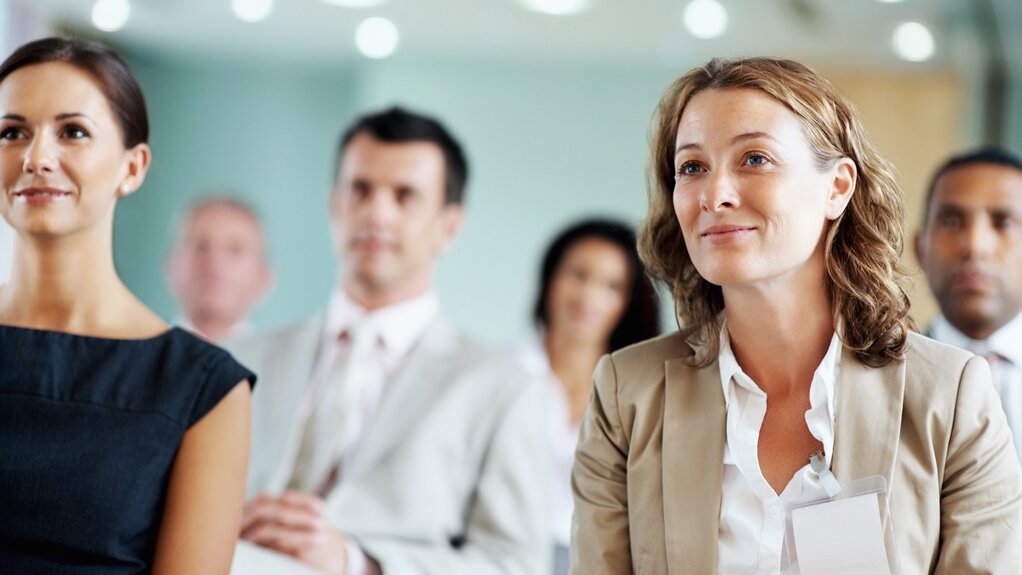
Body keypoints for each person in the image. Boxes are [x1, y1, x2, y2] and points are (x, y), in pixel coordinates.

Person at [570, 57, 1022, 574]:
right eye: (693, 167)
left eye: (754, 158)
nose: (715, 195)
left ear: (837, 187)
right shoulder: (626, 393)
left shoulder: (950, 393)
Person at [230, 107, 547, 575]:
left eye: (405, 196)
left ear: (450, 225)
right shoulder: (241, 358)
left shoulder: (503, 389)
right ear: (333, 204)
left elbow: (515, 565)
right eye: (360, 189)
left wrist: (359, 563)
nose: (376, 213)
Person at [0, 37, 254, 573]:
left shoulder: (204, 391)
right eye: (12, 132)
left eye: (73, 132)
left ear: (132, 168)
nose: (36, 157)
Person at [516, 218, 659, 575]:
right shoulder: (503, 376)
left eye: (612, 286)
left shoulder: (640, 392)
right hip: (508, 552)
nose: (589, 296)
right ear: (551, 278)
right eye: (578, 274)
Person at [915, 148, 1022, 462]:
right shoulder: (876, 380)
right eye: (950, 221)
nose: (975, 246)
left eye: (1003, 223)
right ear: (920, 250)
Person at [166, 195, 272, 342]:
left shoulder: (282, 363)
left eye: (235, 249)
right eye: (201, 246)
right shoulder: (137, 357)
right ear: (172, 266)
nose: (215, 261)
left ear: (263, 277)